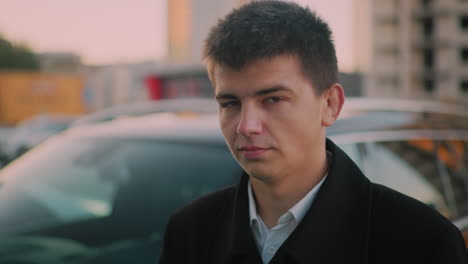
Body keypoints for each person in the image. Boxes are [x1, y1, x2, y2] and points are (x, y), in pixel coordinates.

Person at [159, 1, 467, 263]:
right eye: (230, 103)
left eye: (273, 99)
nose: (246, 125)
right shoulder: (189, 231)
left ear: (330, 104)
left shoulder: (423, 244)